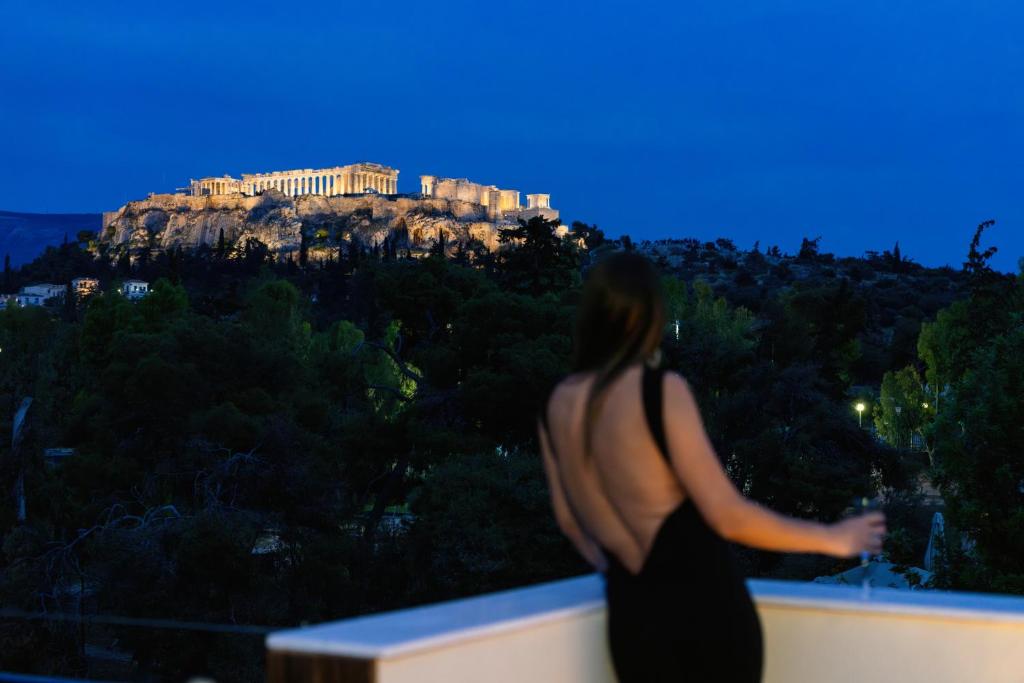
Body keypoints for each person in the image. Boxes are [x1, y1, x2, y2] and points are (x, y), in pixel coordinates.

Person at [537, 252, 886, 682]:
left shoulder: (557, 403)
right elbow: (726, 515)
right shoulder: (662, 391)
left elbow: (572, 523)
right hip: (704, 611)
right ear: (650, 317)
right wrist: (831, 538)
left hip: (631, 619)